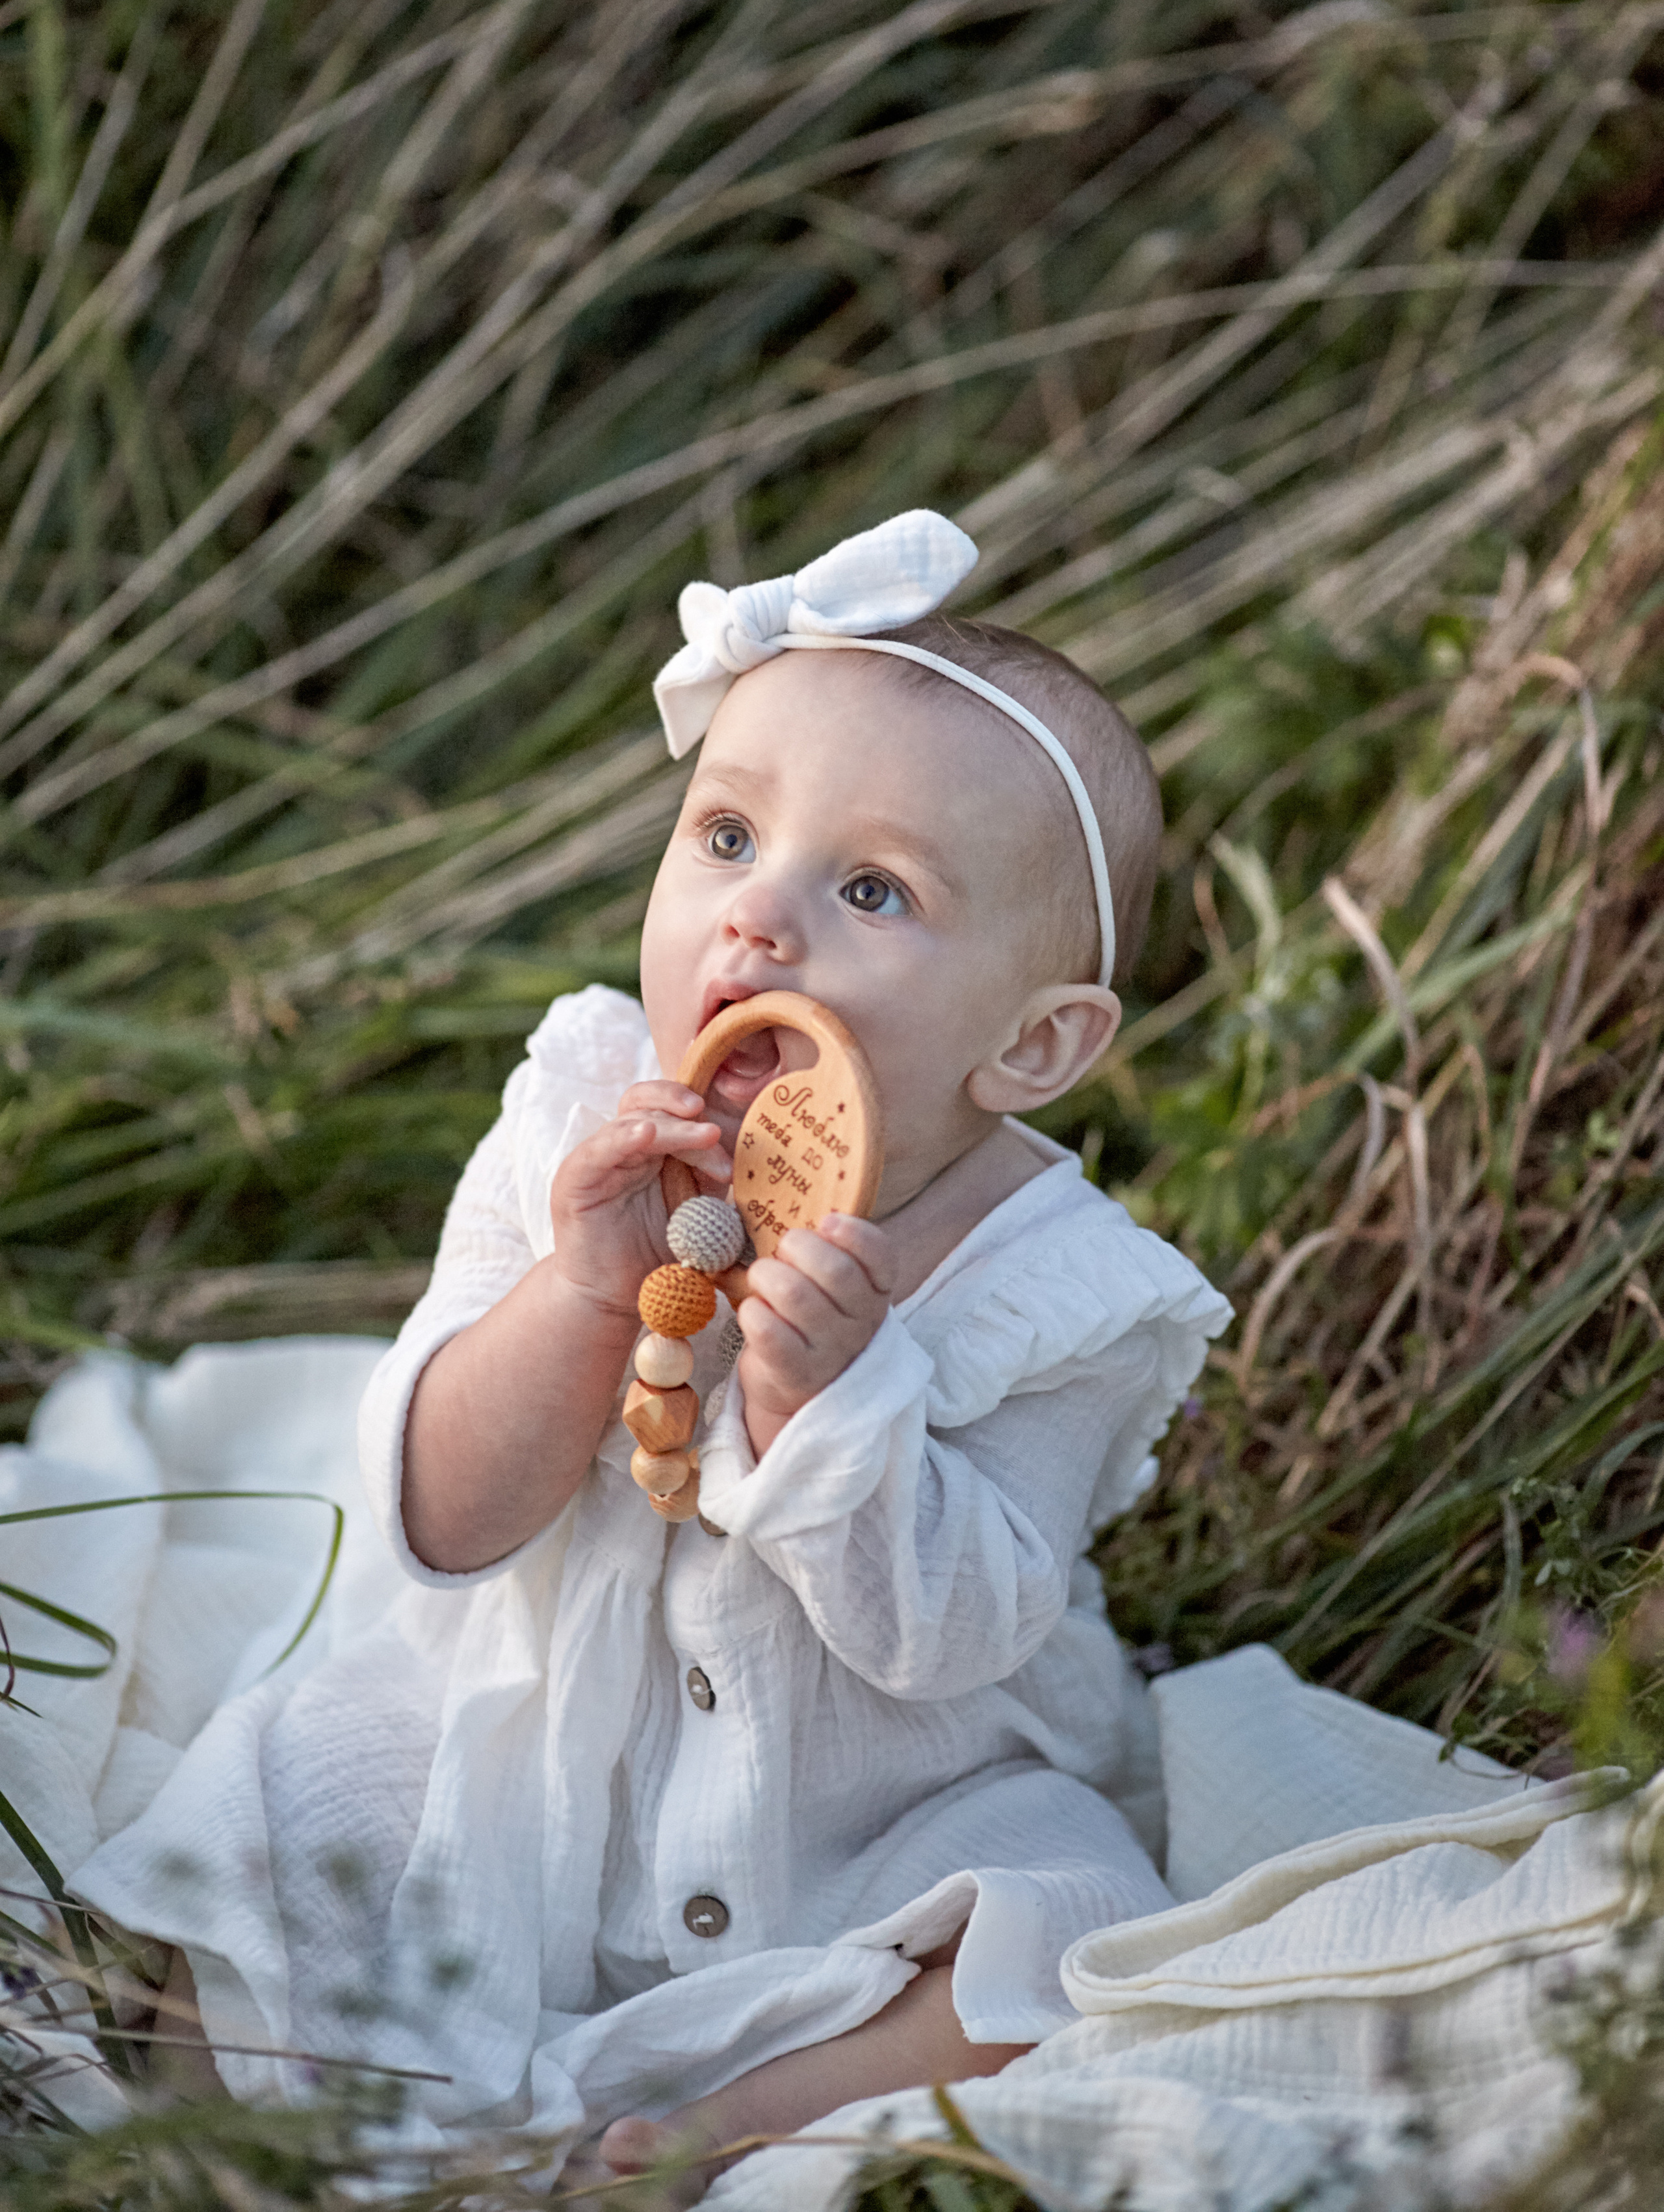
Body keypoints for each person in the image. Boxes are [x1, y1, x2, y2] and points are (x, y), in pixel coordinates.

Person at [73, 511, 1230, 2196]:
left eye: (871, 888)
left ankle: (736, 2117)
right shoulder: (576, 1108)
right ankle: (269, 2123)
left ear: (1033, 1042)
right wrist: (578, 1289)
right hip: (529, 1743)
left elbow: (967, 1624)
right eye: (727, 835)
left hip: (865, 1807)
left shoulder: (1065, 1288)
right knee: (278, 1807)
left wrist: (843, 1405)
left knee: (1076, 1917)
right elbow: (441, 1516)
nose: (760, 922)